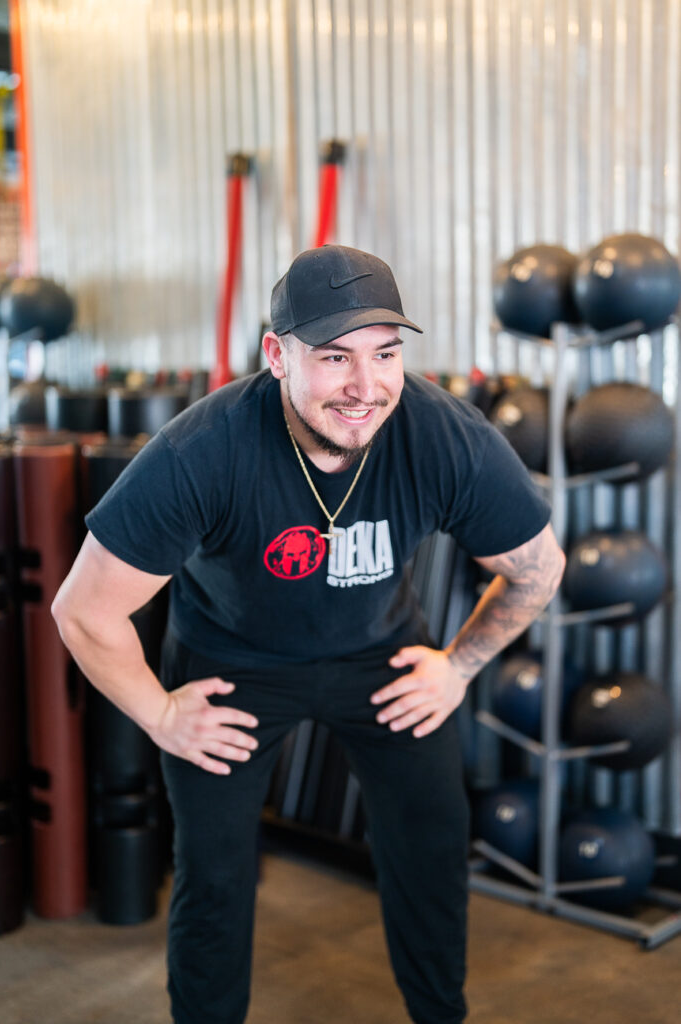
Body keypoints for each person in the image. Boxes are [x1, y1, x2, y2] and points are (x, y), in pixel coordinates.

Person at [52, 244, 565, 1024]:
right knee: (215, 879)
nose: (366, 387)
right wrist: (159, 714)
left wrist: (457, 668)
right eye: (334, 358)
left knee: (431, 850)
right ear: (276, 355)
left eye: (386, 355)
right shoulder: (202, 452)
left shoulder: (441, 436)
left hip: (382, 655)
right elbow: (82, 609)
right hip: (232, 666)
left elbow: (537, 568)